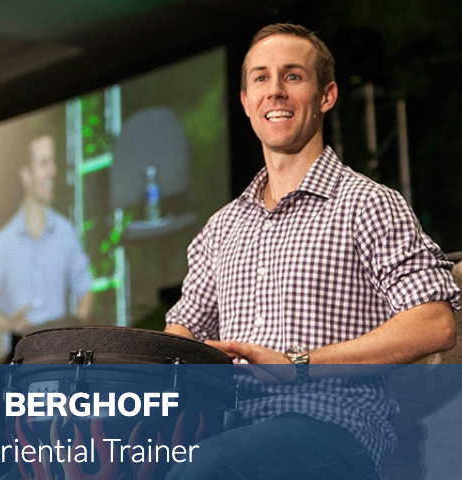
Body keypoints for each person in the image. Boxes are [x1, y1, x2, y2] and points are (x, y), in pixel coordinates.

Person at [165, 23, 459, 480]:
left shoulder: (368, 203)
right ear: (245, 101)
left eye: (293, 76)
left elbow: (435, 323)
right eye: (261, 78)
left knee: (205, 468)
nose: (275, 91)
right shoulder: (222, 226)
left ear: (327, 96)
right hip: (232, 430)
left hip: (334, 427)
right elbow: (182, 331)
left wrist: (299, 365)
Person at [0, 133, 93, 359]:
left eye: (53, 162)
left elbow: (85, 289)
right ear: (26, 175)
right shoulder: (3, 243)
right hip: (18, 361)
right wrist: (8, 324)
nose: (52, 171)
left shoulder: (66, 232)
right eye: (44, 163)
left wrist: (77, 335)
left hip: (60, 358)